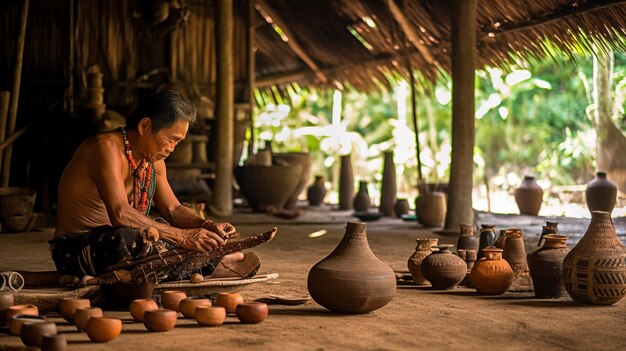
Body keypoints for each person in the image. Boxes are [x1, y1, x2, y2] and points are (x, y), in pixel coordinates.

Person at [50, 90, 260, 283]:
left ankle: (196, 264)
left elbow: (173, 209)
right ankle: (209, 266)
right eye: (171, 140)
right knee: (132, 237)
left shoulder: (152, 160)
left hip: (124, 247)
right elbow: (120, 214)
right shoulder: (105, 148)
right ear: (144, 126)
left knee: (160, 230)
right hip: (79, 248)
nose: (172, 149)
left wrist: (205, 226)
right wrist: (183, 236)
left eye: (178, 143)